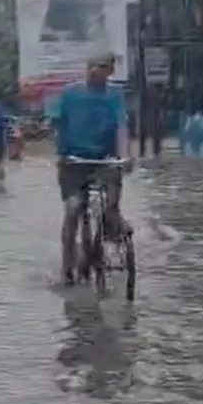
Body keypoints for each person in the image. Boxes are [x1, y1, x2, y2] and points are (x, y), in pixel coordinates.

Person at [49, 52, 132, 286]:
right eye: (95, 67)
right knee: (74, 210)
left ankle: (113, 223)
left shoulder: (115, 96)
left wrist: (125, 156)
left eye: (104, 68)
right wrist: (60, 151)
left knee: (111, 200)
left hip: (105, 160)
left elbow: (121, 127)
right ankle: (67, 268)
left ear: (110, 71)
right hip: (73, 162)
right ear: (87, 68)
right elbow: (57, 123)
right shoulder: (70, 94)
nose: (98, 72)